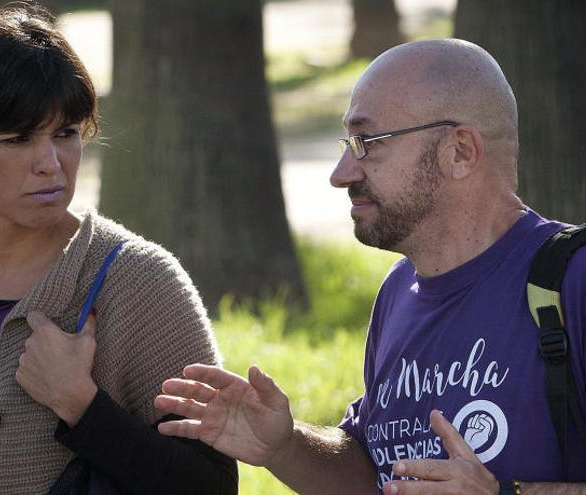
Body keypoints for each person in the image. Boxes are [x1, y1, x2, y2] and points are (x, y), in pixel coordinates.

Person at [155, 38, 586, 494]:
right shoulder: (400, 291)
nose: (342, 173)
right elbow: (370, 473)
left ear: (459, 152)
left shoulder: (572, 280)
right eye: (348, 143)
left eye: (367, 142)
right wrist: (284, 445)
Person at [0, 5, 237, 494]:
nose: (51, 164)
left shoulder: (143, 284)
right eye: (17, 140)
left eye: (65, 134)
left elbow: (212, 485)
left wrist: (82, 406)